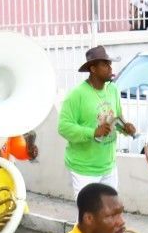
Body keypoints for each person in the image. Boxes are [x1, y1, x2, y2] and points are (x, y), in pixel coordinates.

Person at [58, 46, 136, 196]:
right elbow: (63, 127)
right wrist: (93, 132)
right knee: (88, 217)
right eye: (105, 64)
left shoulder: (112, 90)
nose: (110, 68)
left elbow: (116, 118)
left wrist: (125, 127)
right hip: (84, 169)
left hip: (109, 166)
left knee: (108, 213)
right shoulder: (77, 95)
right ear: (93, 69)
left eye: (110, 64)